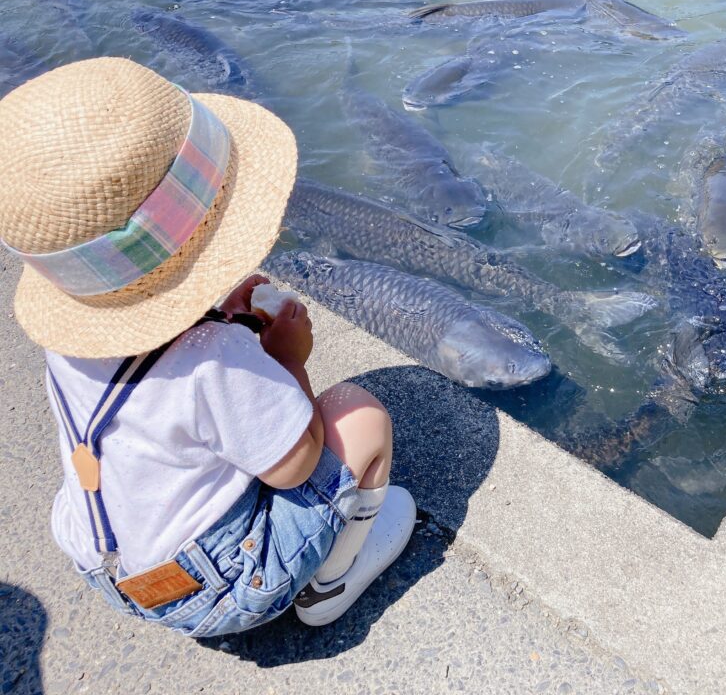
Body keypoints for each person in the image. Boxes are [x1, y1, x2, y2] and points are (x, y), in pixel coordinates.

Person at [0, 57, 416, 635]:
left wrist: (216, 312)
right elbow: (295, 467)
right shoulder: (215, 358)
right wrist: (289, 359)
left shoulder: (67, 345)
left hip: (106, 563)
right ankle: (332, 583)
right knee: (360, 413)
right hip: (216, 586)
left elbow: (156, 387)